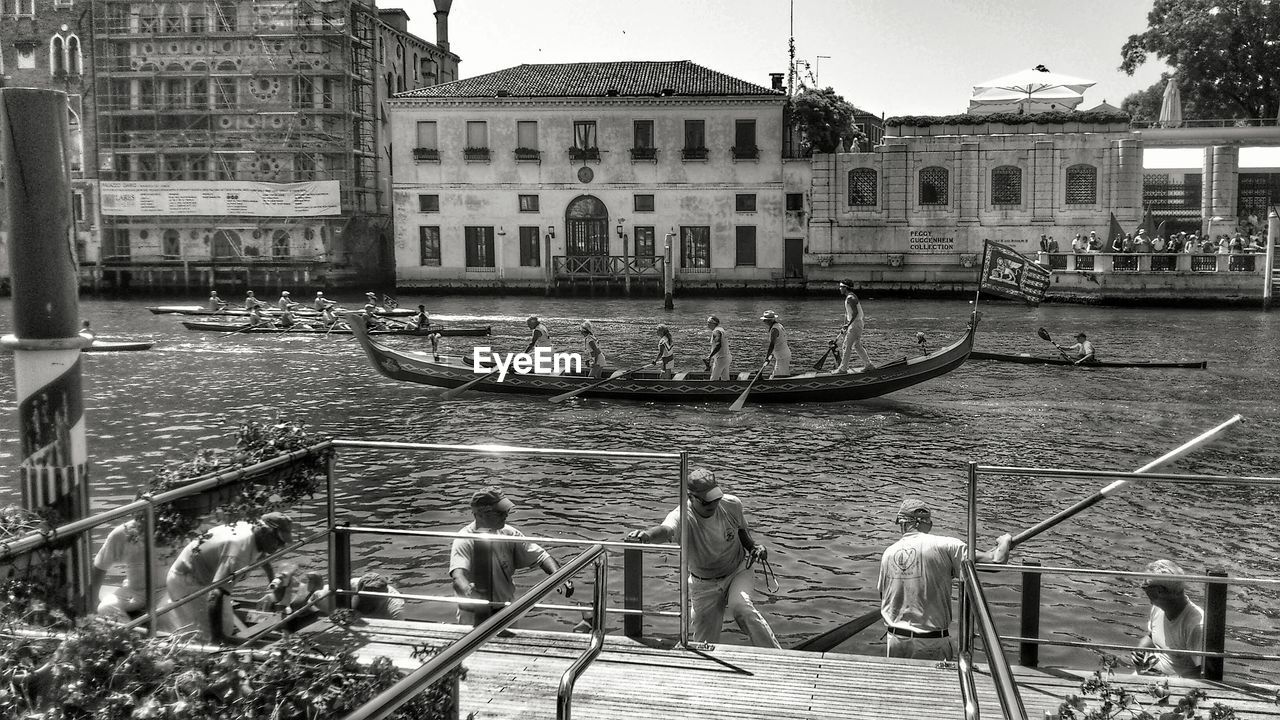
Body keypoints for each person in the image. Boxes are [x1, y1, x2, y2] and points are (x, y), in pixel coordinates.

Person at [624, 468, 780, 648]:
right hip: (704, 584)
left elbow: (741, 531)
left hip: (737, 570)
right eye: (707, 502)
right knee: (705, 644)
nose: (713, 504)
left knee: (741, 607)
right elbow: (666, 530)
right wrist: (647, 536)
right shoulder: (681, 516)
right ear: (691, 498)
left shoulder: (731, 504)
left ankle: (777, 655)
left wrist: (755, 547)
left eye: (716, 498)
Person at [879, 498, 1012, 660]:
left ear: (904, 523)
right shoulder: (946, 546)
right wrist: (1005, 541)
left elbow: (884, 596)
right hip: (930, 641)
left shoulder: (888, 553)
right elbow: (995, 562)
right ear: (924, 521)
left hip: (894, 640)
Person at [449, 487, 570, 626]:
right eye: (500, 512)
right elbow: (458, 575)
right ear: (481, 513)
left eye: (506, 511)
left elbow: (542, 557)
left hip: (505, 611)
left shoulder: (510, 534)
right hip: (473, 616)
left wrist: (559, 576)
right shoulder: (464, 539)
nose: (506, 515)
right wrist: (468, 590)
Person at [165, 513, 292, 643]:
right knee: (206, 635)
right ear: (265, 531)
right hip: (188, 580)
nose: (280, 546)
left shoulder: (255, 531)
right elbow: (216, 594)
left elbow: (260, 553)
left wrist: (271, 576)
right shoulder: (238, 553)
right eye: (279, 541)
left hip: (206, 577)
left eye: (283, 543)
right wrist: (218, 637)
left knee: (226, 626)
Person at [89, 519, 175, 628]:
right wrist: (93, 600)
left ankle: (164, 640)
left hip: (166, 589)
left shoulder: (175, 530)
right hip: (133, 590)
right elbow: (100, 565)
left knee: (165, 613)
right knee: (105, 608)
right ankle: (132, 637)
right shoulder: (122, 533)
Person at [1132, 560, 1204, 677]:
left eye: (1145, 586)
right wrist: (1140, 650)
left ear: (1159, 591)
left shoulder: (1196, 626)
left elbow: (1203, 673)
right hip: (1149, 673)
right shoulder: (1158, 608)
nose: (1143, 590)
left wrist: (1165, 679)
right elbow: (1152, 635)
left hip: (1176, 687)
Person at [308, 571, 406, 621]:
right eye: (363, 601)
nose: (365, 607)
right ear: (356, 592)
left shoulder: (395, 607)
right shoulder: (347, 587)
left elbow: (402, 634)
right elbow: (311, 599)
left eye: (371, 603)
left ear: (383, 599)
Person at [836, 279, 873, 372]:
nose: (839, 288)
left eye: (841, 287)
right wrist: (846, 324)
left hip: (855, 324)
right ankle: (868, 365)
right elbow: (848, 313)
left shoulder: (850, 298)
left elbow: (855, 313)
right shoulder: (850, 296)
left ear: (845, 288)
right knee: (857, 345)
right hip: (856, 324)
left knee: (846, 346)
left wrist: (848, 324)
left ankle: (843, 369)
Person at [759, 310, 790, 378]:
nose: (763, 321)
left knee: (779, 375)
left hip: (782, 355)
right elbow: (778, 342)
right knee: (781, 373)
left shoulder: (774, 329)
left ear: (769, 321)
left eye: (765, 320)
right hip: (783, 353)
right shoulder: (778, 325)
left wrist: (767, 357)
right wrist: (772, 354)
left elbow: (772, 344)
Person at [704, 315, 732, 381]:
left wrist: (710, 356)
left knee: (713, 378)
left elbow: (718, 345)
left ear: (712, 324)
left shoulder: (716, 332)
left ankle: (711, 390)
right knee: (725, 378)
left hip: (721, 359)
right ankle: (726, 389)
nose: (707, 324)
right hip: (727, 357)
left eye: (708, 323)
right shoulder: (721, 330)